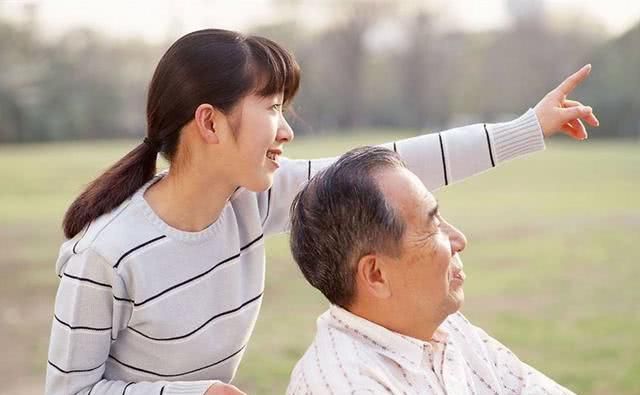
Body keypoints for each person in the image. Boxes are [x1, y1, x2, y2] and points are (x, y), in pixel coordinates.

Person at [45, 28, 597, 395]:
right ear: (210, 123)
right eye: (273, 109)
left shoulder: (253, 201)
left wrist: (527, 129)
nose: (286, 130)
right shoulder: (106, 252)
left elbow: (392, 168)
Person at [287, 146, 577, 394]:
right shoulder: (348, 385)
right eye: (433, 225)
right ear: (376, 274)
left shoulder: (444, 331)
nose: (459, 240)